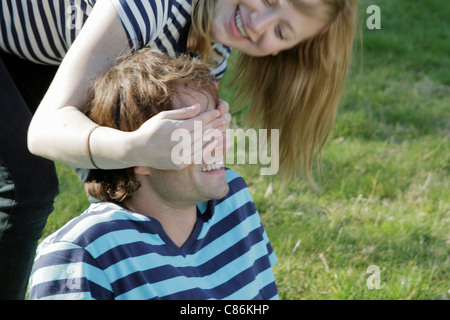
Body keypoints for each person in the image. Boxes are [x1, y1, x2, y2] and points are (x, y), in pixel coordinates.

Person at [1, 0, 356, 299]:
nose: (259, 23)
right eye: (270, 0)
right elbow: (46, 131)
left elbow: (148, 187)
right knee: (26, 185)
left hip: (37, 53)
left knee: (125, 187)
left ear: (283, 51)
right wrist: (134, 147)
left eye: (280, 32)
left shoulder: (210, 53)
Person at [28, 49, 278, 300]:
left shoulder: (232, 200)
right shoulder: (81, 255)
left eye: (217, 125)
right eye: (195, 135)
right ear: (141, 153)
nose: (221, 145)